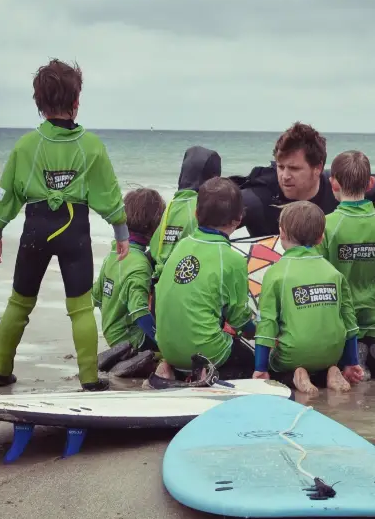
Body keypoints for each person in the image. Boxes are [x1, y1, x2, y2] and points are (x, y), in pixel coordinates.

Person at [0, 58, 129, 392]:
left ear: (38, 104)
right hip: (74, 232)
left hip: (36, 230)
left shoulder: (26, 146)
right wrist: (120, 229)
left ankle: (1, 371)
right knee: (80, 308)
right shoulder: (91, 146)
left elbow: (7, 192)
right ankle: (90, 379)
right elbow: (108, 193)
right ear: (76, 102)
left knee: (19, 303)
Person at [150, 177, 257, 383]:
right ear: (239, 220)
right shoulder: (233, 259)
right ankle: (204, 374)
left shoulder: (181, 245)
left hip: (166, 348)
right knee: (248, 361)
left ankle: (171, 369)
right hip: (206, 351)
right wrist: (257, 332)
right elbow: (239, 319)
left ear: (196, 213)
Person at [252, 201, 365, 395]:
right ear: (321, 238)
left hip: (292, 356)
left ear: (282, 234)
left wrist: (260, 368)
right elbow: (350, 322)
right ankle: (331, 371)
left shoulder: (277, 272)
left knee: (275, 366)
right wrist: (351, 362)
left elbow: (267, 324)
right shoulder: (333, 273)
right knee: (323, 359)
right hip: (331, 354)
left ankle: (296, 375)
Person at [319, 150, 375, 381]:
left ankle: (356, 359)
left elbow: (317, 272)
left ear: (333, 183)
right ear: (369, 183)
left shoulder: (327, 226)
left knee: (344, 347)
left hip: (338, 315)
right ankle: (374, 353)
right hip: (370, 311)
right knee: (368, 338)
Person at [230, 122, 375, 237]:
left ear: (317, 168)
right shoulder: (258, 197)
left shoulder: (338, 187)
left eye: (294, 168)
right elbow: (211, 226)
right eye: (281, 167)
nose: (285, 176)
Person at [91, 187, 165, 367]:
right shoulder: (139, 264)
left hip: (112, 334)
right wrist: (163, 343)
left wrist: (114, 317)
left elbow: (97, 297)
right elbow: (139, 312)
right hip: (132, 341)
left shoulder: (113, 254)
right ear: (154, 226)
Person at [150, 146, 222, 278]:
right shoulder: (203, 206)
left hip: (160, 280)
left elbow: (155, 247)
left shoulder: (172, 205)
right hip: (186, 278)